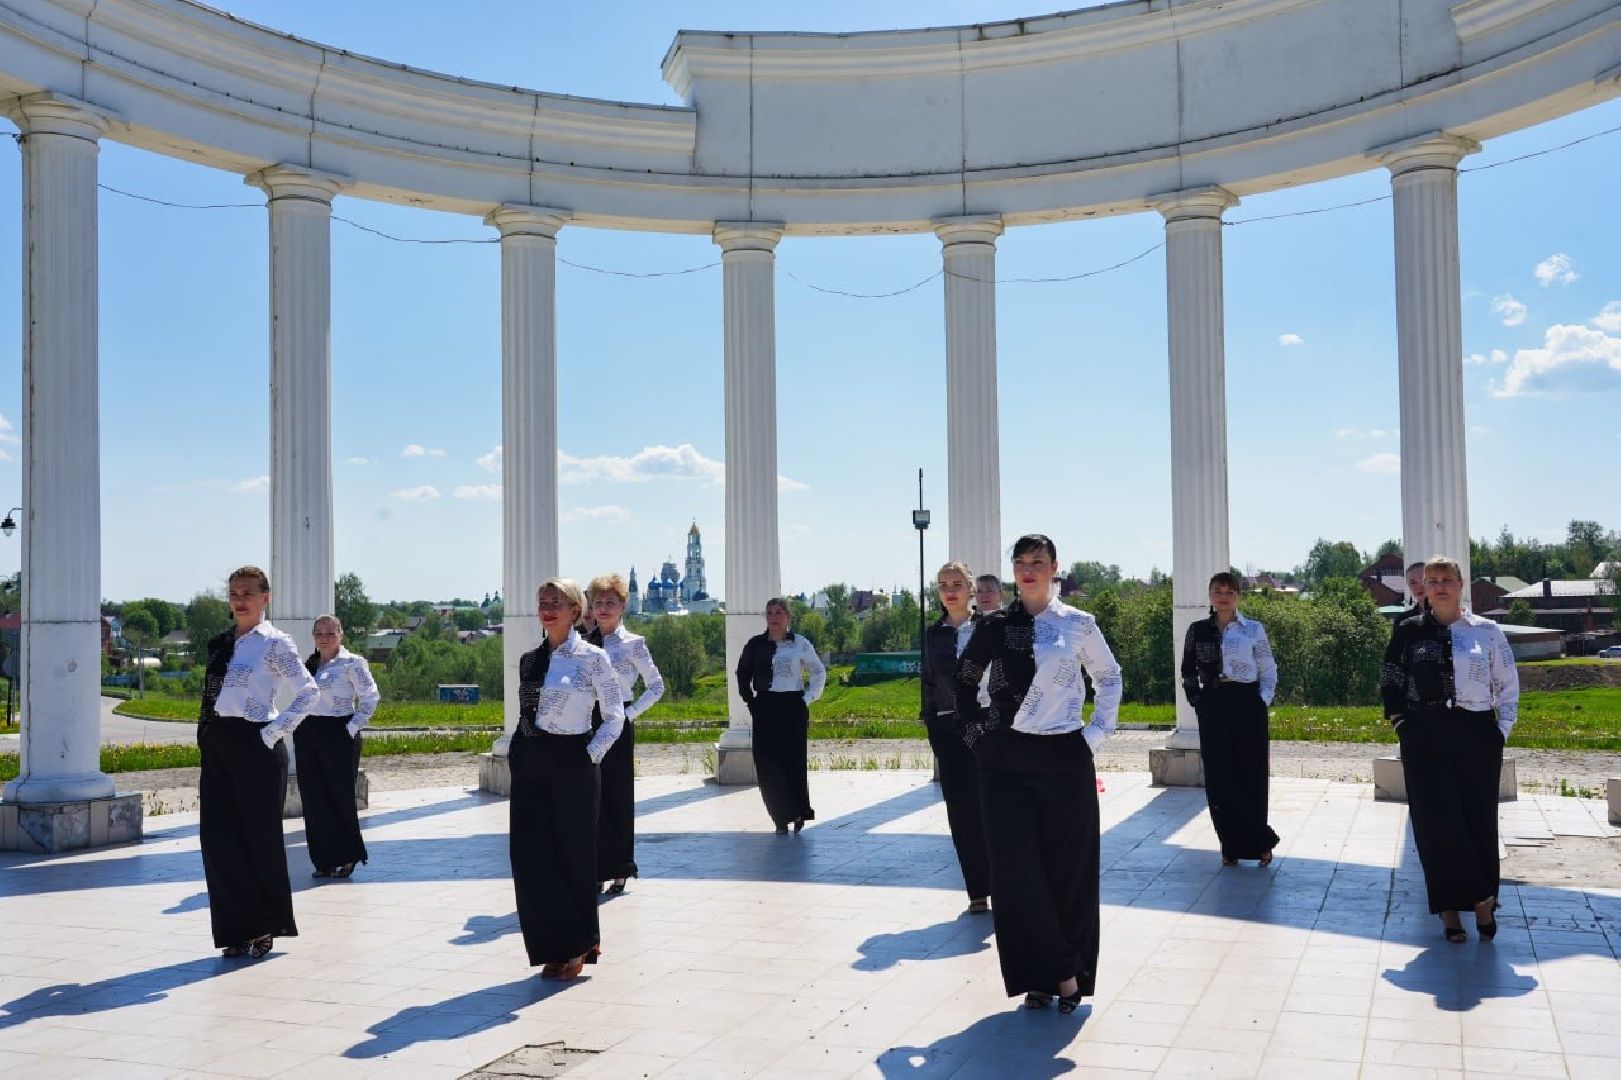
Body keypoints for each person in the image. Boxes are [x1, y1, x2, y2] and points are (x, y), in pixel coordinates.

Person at [954, 534, 1123, 1013]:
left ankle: (1062, 975)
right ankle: (1050, 972)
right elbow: (963, 684)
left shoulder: (1078, 624)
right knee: (1015, 873)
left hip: (1064, 758)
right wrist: (978, 742)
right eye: (1021, 562)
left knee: (1067, 871)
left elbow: (1109, 678)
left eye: (1038, 562)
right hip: (1002, 763)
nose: (1029, 570)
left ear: (1054, 568)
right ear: (1013, 570)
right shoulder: (993, 626)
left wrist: (1093, 737)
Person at [1381, 555, 1518, 943]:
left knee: (1476, 821)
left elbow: (1507, 684)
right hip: (1423, 736)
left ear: (1461, 585)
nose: (1439, 586)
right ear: (1423, 586)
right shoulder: (1408, 631)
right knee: (1435, 824)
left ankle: (1482, 900)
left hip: (1476, 734)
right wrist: (1401, 724)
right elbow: (1391, 679)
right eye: (1433, 580)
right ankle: (1452, 911)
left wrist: (1500, 730)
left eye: (1447, 580)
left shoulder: (1487, 632)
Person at [197, 566, 320, 959]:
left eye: (248, 593)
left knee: (258, 840)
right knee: (219, 841)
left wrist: (273, 731)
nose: (239, 600)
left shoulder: (274, 643)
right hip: (218, 743)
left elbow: (308, 691)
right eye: (234, 593)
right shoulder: (220, 643)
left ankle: (265, 926)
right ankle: (235, 930)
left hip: (257, 744)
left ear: (266, 598)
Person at [509, 577, 626, 979]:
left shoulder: (593, 658)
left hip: (574, 762)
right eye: (542, 601)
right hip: (531, 761)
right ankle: (551, 946)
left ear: (576, 610)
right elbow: (526, 716)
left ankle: (578, 944)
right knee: (533, 860)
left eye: (556, 601)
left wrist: (588, 756)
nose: (547, 607)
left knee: (573, 857)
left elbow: (614, 716)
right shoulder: (529, 660)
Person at [1180, 572, 1280, 867]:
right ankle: (1230, 844)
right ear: (1210, 595)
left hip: (1247, 702)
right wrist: (1198, 702)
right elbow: (1187, 670)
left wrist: (1263, 699)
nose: (1223, 595)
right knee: (1220, 776)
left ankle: (1260, 844)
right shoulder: (1197, 630)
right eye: (1217, 590)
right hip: (1213, 702)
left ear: (1238, 595)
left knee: (1250, 772)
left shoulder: (1253, 629)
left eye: (1229, 590)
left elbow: (1267, 666)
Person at [587, 574, 665, 895]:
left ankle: (619, 867)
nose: (603, 608)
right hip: (587, 723)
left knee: (617, 797)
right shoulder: (582, 644)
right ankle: (594, 868)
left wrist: (628, 715)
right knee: (590, 797)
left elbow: (656, 686)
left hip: (618, 721)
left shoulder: (633, 643)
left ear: (623, 605)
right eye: (598, 602)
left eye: (611, 602)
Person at [921, 562, 992, 914]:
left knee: (994, 806)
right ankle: (977, 889)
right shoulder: (933, 635)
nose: (950, 590)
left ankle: (1005, 880)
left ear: (970, 590)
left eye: (956, 584)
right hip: (949, 729)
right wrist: (932, 726)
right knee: (962, 811)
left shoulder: (989, 627)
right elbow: (928, 683)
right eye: (942, 585)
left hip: (989, 727)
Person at [297, 613, 380, 880]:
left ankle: (347, 856)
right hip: (309, 732)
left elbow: (370, 696)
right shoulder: (309, 665)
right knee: (313, 798)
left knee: (339, 796)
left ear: (340, 635)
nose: (324, 638)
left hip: (339, 732)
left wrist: (351, 728)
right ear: (313, 637)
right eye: (319, 633)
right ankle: (323, 860)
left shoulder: (352, 663)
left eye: (330, 633)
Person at [735, 598, 826, 834]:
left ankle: (798, 812)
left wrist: (807, 699)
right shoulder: (755, 645)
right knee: (766, 764)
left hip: (792, 706)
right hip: (765, 706)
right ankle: (780, 816)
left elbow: (818, 671)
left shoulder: (799, 644)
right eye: (769, 613)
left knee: (792, 761)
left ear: (788, 617)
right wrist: (751, 701)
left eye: (778, 612)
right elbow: (742, 673)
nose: (774, 617)